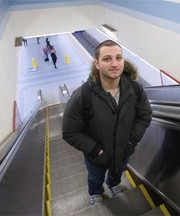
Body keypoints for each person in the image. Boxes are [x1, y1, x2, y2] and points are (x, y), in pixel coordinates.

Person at [62, 40, 152, 205]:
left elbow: (145, 115)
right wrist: (96, 150)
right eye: (107, 59)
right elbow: (70, 132)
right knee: (95, 177)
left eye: (118, 58)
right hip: (96, 156)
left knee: (117, 173)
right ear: (96, 63)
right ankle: (96, 192)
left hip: (124, 150)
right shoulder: (83, 96)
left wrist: (131, 141)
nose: (115, 64)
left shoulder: (135, 89)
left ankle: (113, 184)